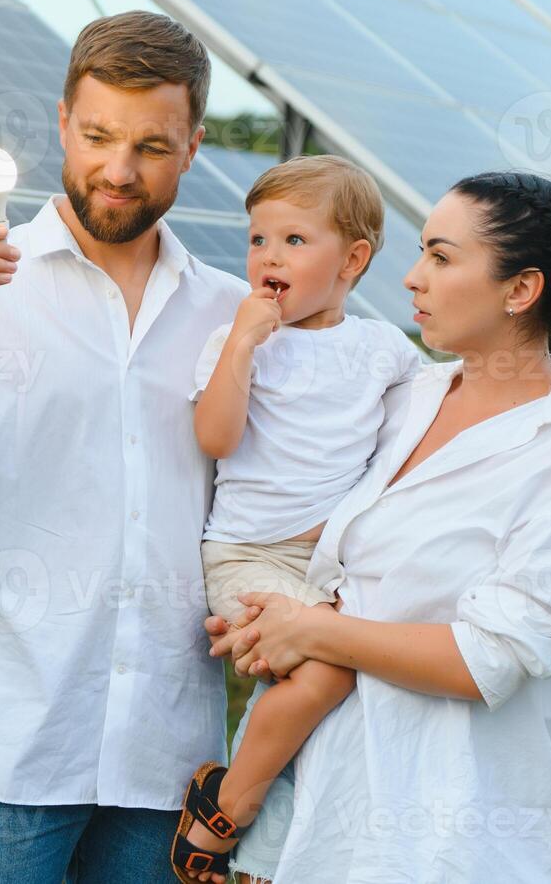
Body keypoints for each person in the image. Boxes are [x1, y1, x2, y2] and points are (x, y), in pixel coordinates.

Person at [0, 10, 248, 882]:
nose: (117, 169)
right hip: (8, 739)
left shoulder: (231, 314)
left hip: (166, 747)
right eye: (98, 135)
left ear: (192, 148)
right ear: (62, 124)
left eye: (151, 146)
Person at [204, 172, 551, 883]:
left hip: (438, 840)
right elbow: (318, 543)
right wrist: (264, 619)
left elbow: (488, 660)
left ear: (519, 290)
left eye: (441, 258)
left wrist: (310, 630)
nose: (412, 279)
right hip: (308, 814)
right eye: (420, 253)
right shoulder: (404, 396)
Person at [173, 155, 422, 880]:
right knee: (325, 679)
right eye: (257, 240)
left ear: (352, 259)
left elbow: (409, 446)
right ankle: (226, 809)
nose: (267, 257)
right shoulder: (239, 342)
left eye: (292, 241)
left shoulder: (381, 350)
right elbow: (215, 439)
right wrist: (244, 345)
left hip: (328, 565)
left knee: (321, 704)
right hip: (247, 554)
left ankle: (265, 859)